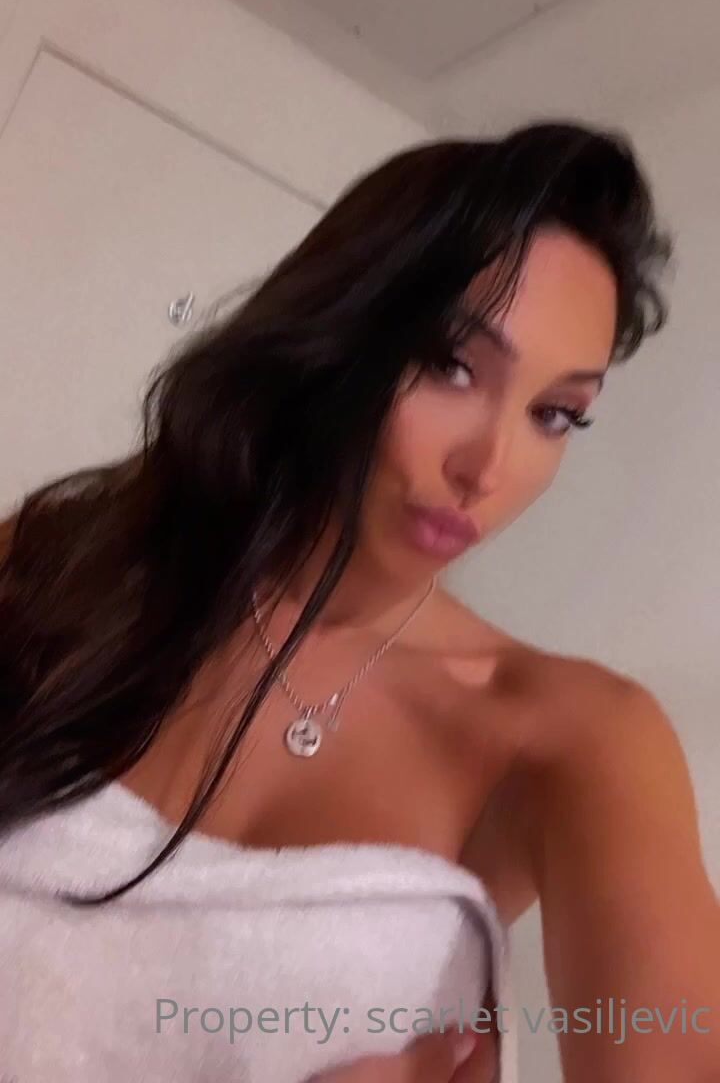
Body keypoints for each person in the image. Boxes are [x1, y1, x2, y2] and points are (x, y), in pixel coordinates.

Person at [0, 122, 718, 1083]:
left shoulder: (572, 739)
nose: (489, 467)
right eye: (452, 365)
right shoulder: (55, 566)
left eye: (555, 414)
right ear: (337, 332)